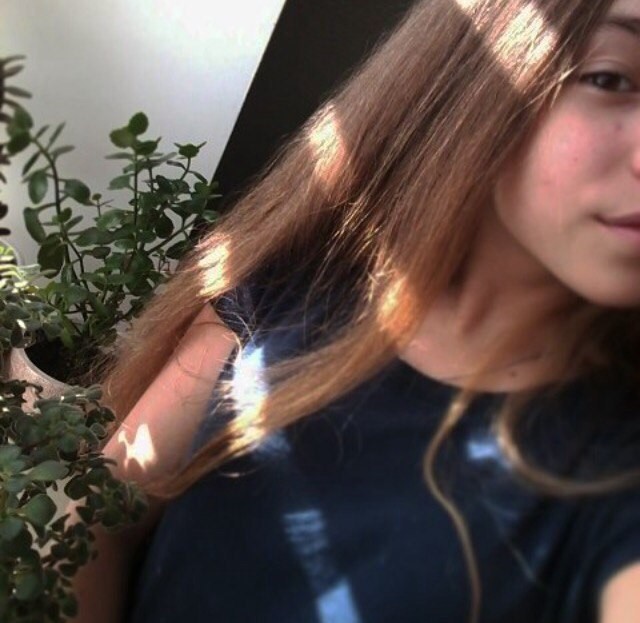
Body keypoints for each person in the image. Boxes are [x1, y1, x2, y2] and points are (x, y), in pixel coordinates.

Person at [72, 0, 640, 621]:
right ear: (478, 71)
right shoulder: (295, 283)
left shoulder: (616, 470)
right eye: (611, 79)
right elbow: (100, 519)